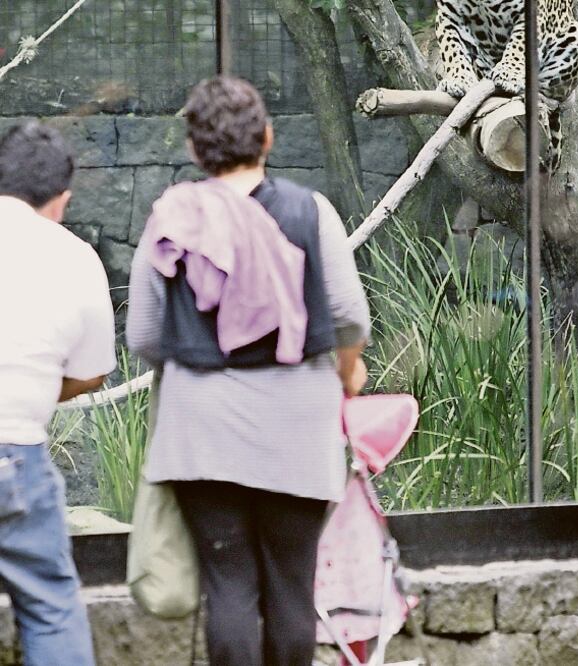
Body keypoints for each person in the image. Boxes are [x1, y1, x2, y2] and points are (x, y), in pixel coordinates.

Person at [126, 76, 370, 666]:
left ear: (194, 150)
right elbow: (347, 315)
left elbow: (144, 336)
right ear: (267, 136)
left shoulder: (171, 217)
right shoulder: (312, 211)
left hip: (201, 438)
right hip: (297, 432)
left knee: (229, 590)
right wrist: (346, 371)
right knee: (291, 590)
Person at [0, 122, 117, 665]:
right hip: (15, 455)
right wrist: (35, 392)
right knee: (50, 605)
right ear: (62, 199)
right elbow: (93, 373)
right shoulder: (75, 257)